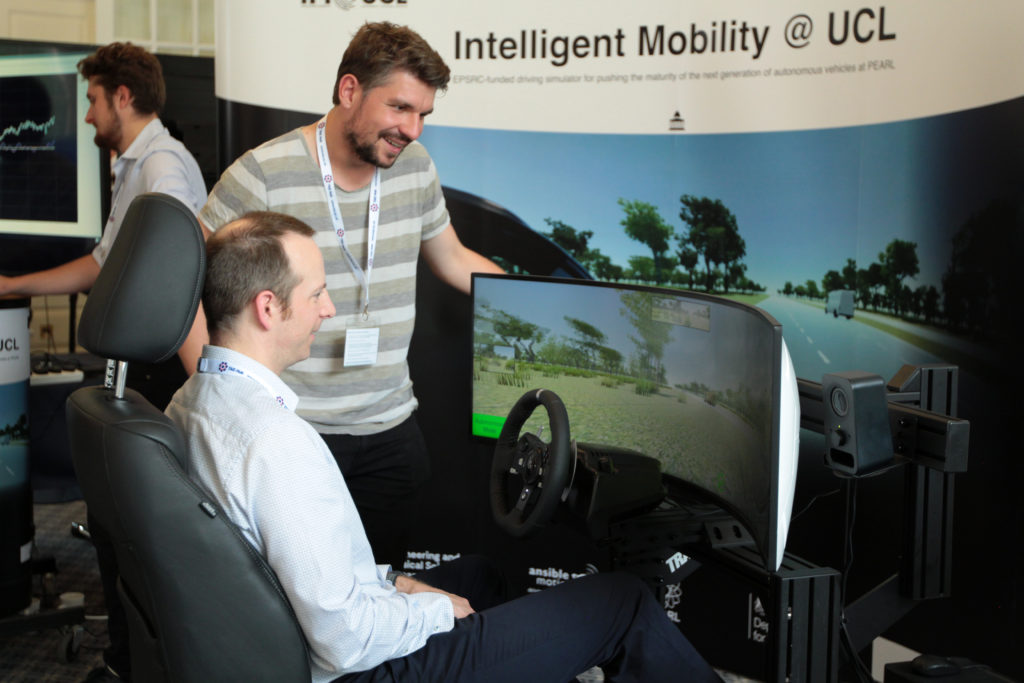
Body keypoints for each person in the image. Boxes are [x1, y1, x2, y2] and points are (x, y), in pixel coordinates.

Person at [165, 211, 722, 683]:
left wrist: (393, 583)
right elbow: (342, 637)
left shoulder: (192, 401)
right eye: (316, 294)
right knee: (621, 602)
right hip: (360, 666)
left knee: (482, 575)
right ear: (268, 308)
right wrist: (430, 609)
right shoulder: (276, 443)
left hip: (302, 630)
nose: (328, 309)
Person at [197, 21, 503, 568]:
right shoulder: (263, 173)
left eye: (423, 115)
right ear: (349, 91)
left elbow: (453, 259)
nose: (413, 130)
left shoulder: (416, 168)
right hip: (291, 433)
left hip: (391, 432)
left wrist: (531, 299)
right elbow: (192, 286)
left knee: (378, 596)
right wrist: (215, 398)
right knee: (293, 611)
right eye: (400, 108)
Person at [0, 42, 207, 683]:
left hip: (162, 372)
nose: (86, 116)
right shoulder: (134, 164)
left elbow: (173, 268)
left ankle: (134, 665)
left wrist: (208, 383)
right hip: (141, 369)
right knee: (121, 534)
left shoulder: (164, 165)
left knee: (140, 539)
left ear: (122, 96)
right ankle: (123, 661)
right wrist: (13, 286)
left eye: (92, 100)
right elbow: (101, 265)